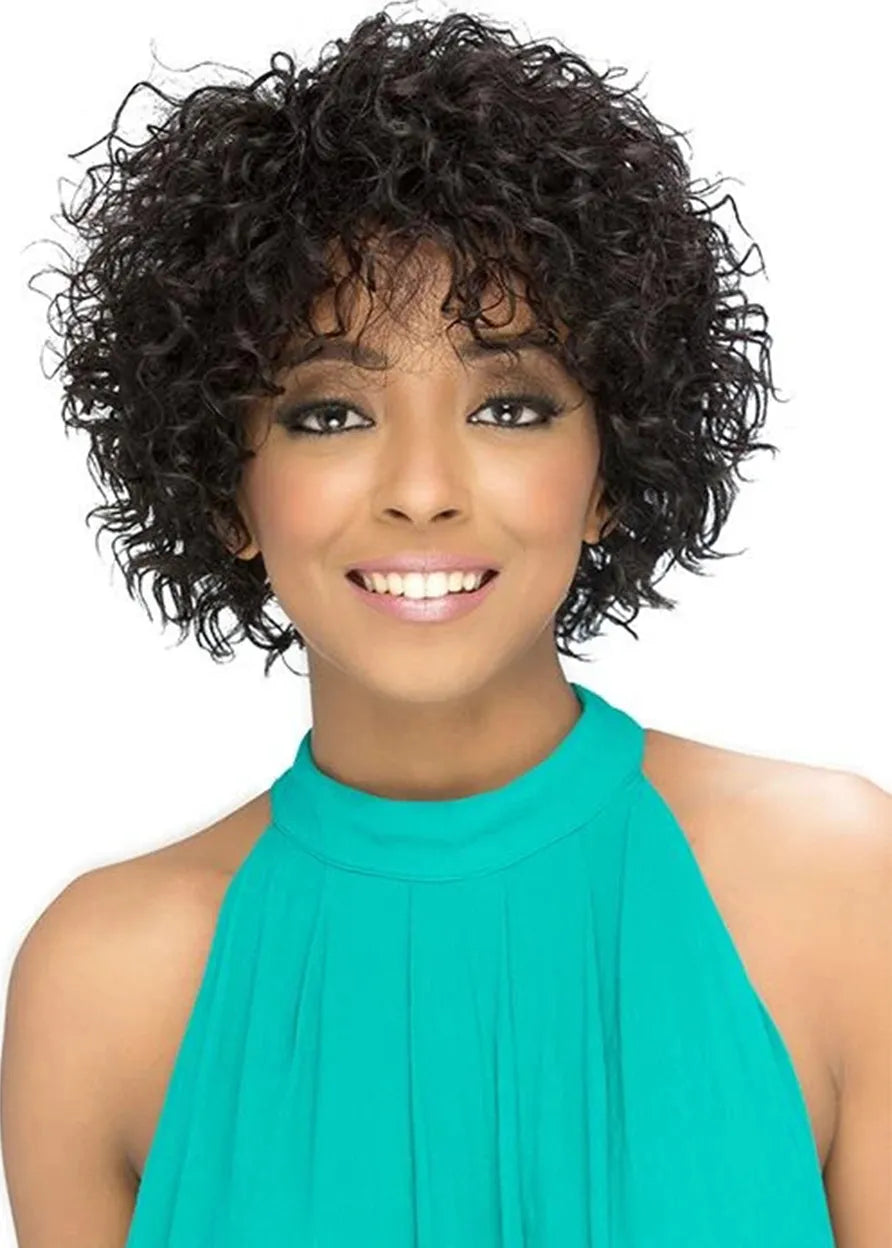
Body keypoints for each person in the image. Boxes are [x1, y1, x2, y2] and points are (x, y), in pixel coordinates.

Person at [2, 6, 889, 1246]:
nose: (422, 489)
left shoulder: (840, 887)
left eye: (509, 406)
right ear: (226, 489)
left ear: (613, 469)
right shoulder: (100, 987)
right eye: (329, 414)